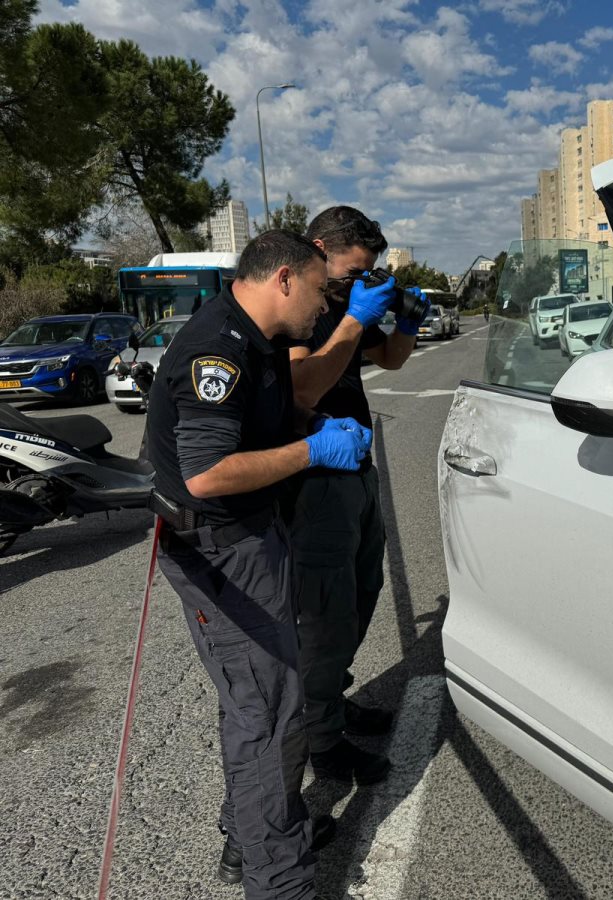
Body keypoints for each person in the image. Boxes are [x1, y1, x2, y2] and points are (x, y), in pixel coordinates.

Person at [145, 230, 387, 900]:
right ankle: (279, 881)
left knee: (261, 706)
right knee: (269, 716)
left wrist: (310, 433)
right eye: (318, 289)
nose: (324, 305)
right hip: (220, 550)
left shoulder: (260, 341)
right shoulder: (216, 349)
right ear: (283, 277)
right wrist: (314, 455)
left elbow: (274, 419)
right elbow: (208, 473)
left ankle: (247, 835)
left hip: (250, 535)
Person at [286, 207, 427, 784]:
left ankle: (331, 702)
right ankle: (321, 742)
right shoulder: (298, 310)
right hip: (316, 476)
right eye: (349, 271)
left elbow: (388, 359)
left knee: (360, 596)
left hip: (356, 469)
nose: (354, 283)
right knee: (323, 617)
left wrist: (408, 324)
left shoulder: (345, 304)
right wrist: (350, 321)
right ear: (319, 249)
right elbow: (303, 389)